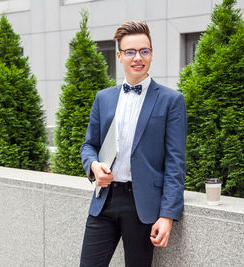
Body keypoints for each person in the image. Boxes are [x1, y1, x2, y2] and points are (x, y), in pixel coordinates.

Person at [80, 21, 187, 267]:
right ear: (119, 55)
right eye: (130, 52)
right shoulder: (103, 98)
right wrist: (94, 166)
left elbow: (175, 163)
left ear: (151, 54)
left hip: (143, 206)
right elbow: (89, 145)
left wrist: (167, 215)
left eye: (144, 51)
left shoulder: (172, 101)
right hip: (104, 200)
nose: (138, 58)